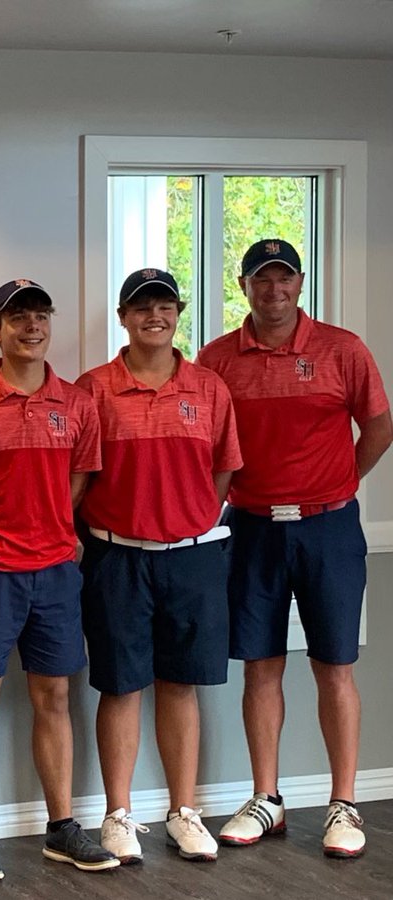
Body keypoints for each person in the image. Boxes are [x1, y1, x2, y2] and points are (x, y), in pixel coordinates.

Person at [198, 239, 391, 858]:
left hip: (329, 529)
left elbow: (380, 425)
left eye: (284, 279)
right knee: (261, 664)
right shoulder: (219, 358)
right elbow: (206, 445)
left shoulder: (343, 349)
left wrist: (340, 482)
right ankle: (267, 798)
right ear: (243, 285)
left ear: (300, 283)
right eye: (261, 279)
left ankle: (343, 804)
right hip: (252, 527)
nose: (273, 290)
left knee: (334, 664)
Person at [0, 279, 118, 879]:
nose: (31, 326)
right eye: (17, 317)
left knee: (55, 699)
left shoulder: (76, 403)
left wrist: (53, 526)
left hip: (54, 574)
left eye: (41, 315)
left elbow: (79, 481)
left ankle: (62, 826)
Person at [76, 268, 241, 864]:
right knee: (120, 685)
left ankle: (182, 810)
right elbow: (77, 478)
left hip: (194, 557)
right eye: (142, 307)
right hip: (117, 556)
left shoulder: (209, 388)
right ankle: (118, 814)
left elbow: (223, 473)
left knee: (181, 685)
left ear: (179, 313)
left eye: (166, 306)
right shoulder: (92, 390)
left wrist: (189, 516)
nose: (155, 316)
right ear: (122, 317)